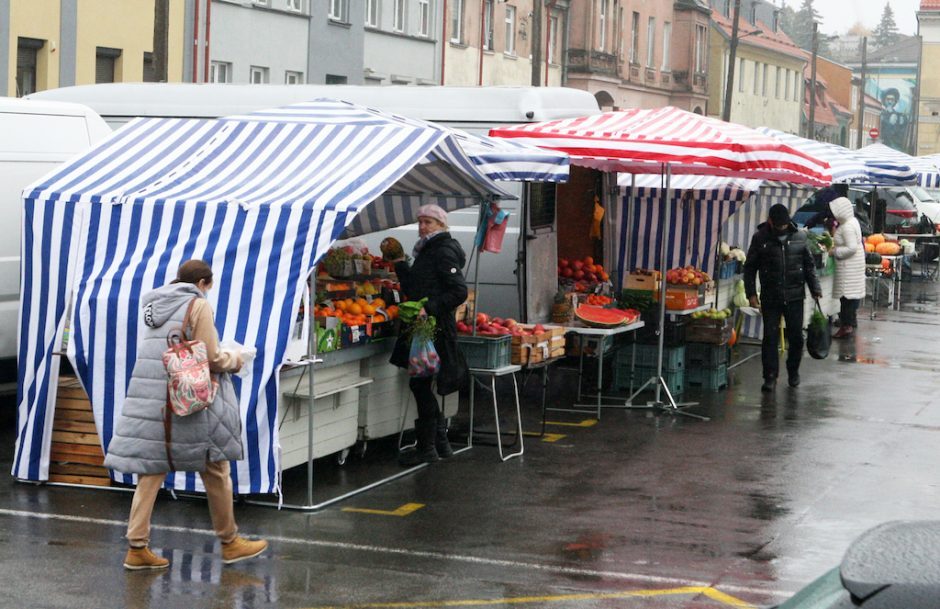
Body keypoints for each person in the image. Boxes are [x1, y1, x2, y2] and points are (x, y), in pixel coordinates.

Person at [104, 259, 268, 570]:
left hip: (153, 399)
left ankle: (137, 547)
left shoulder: (155, 303)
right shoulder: (198, 304)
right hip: (187, 400)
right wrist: (236, 359)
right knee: (215, 467)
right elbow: (210, 356)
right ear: (205, 282)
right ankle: (230, 542)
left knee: (151, 470)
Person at [389, 204, 469, 466]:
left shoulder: (443, 251)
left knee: (420, 383)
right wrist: (400, 264)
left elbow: (459, 292)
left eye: (429, 222)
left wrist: (429, 307)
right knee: (421, 383)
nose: (423, 227)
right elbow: (416, 287)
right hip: (424, 325)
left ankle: (428, 447)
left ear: (441, 226)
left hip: (434, 327)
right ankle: (439, 445)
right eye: (420, 221)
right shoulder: (427, 249)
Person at [744, 204, 822, 392]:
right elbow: (749, 268)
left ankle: (793, 371)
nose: (781, 228)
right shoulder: (760, 238)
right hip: (771, 296)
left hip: (795, 296)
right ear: (770, 221)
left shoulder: (800, 237)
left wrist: (815, 288)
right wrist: (752, 294)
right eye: (778, 225)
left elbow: (809, 266)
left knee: (796, 338)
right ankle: (770, 376)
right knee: (770, 338)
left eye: (784, 225)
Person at [828, 196, 866, 338]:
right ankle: (849, 323)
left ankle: (846, 325)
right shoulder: (852, 222)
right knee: (850, 298)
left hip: (848, 268)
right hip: (852, 267)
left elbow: (851, 248)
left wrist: (834, 251)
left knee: (847, 298)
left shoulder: (848, 227)